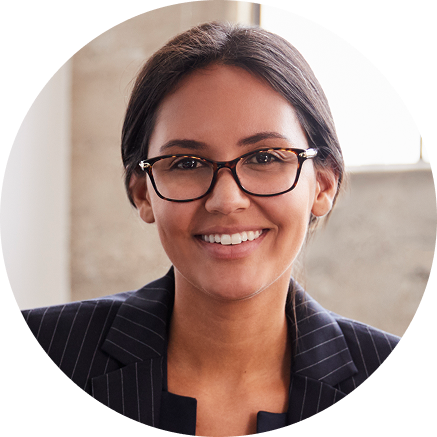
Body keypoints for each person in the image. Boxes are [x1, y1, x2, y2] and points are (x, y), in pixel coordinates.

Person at [22, 22, 400, 435]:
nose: (226, 199)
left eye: (265, 157)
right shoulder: (50, 346)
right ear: (143, 192)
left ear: (323, 185)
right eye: (187, 163)